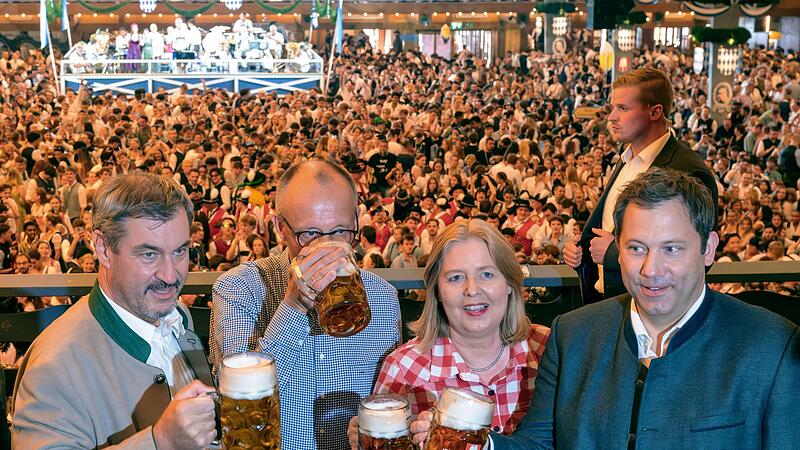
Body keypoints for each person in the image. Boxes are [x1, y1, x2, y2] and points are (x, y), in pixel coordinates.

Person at [490, 169, 799, 449]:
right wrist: (478, 442)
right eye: (637, 248)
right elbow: (538, 445)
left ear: (708, 248)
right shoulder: (571, 334)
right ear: (618, 251)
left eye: (672, 248)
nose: (652, 269)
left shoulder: (773, 347)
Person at [11, 173, 218, 449]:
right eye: (149, 254)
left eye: (180, 251)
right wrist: (160, 442)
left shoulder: (177, 316)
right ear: (103, 248)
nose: (171, 276)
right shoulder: (53, 367)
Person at [211, 160, 401, 450]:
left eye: (340, 231)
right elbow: (242, 411)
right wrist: (293, 306)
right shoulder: (238, 289)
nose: (326, 249)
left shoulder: (383, 298)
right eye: (309, 234)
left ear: (356, 223)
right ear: (279, 228)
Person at [349, 219, 550, 448]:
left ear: (510, 284)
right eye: (456, 277)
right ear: (437, 291)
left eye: (487, 274)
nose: (472, 289)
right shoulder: (403, 368)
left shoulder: (548, 348)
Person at [563, 67, 719, 303]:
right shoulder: (626, 159)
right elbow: (606, 231)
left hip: (650, 309)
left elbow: (696, 258)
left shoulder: (687, 170)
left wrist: (614, 254)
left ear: (655, 112)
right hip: (608, 302)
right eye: (614, 107)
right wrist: (581, 251)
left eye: (623, 108)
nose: (611, 116)